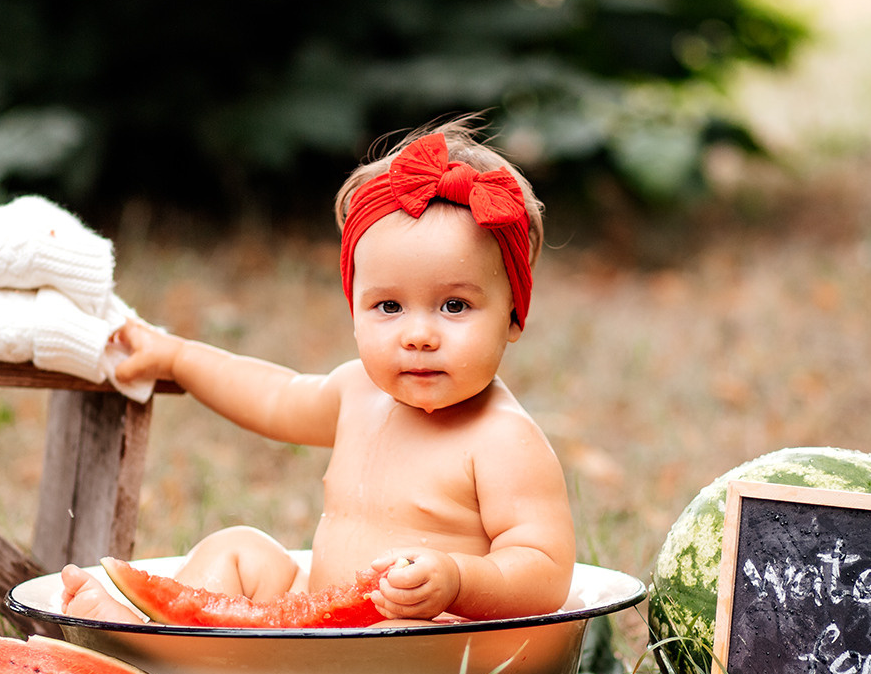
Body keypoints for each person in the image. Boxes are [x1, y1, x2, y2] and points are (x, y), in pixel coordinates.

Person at [59, 124, 576, 623]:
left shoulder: (503, 439)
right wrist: (180, 358)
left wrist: (458, 581)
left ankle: (158, 653)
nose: (418, 334)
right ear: (355, 310)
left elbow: (545, 572)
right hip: (318, 620)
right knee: (238, 549)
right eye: (390, 306)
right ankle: (153, 639)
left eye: (455, 306)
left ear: (512, 316)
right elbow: (274, 396)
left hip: (424, 639)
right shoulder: (356, 392)